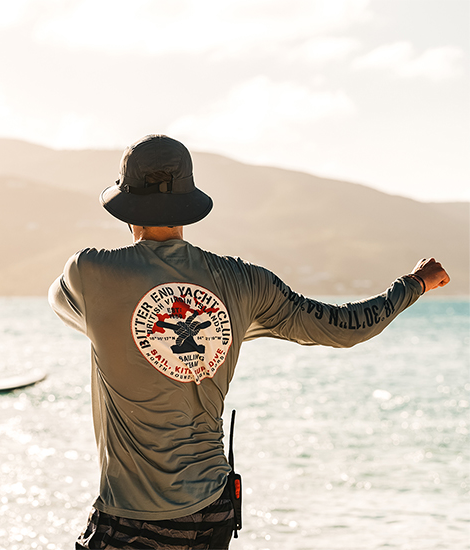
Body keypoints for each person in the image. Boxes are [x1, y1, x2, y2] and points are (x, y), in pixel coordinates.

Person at [48, 134, 450, 549]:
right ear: (187, 201)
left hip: (133, 520)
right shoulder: (245, 282)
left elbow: (61, 305)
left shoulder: (90, 272)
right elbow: (345, 327)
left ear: (126, 206)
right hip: (214, 509)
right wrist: (415, 283)